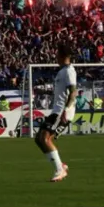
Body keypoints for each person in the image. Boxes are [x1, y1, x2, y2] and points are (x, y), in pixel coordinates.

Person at [34, 43, 76, 183]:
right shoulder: (62, 71)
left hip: (61, 112)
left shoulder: (69, 71)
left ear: (63, 55)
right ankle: (60, 165)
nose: (55, 56)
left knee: (44, 138)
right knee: (39, 139)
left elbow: (73, 92)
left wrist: (66, 109)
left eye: (57, 53)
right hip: (56, 110)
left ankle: (60, 169)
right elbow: (61, 93)